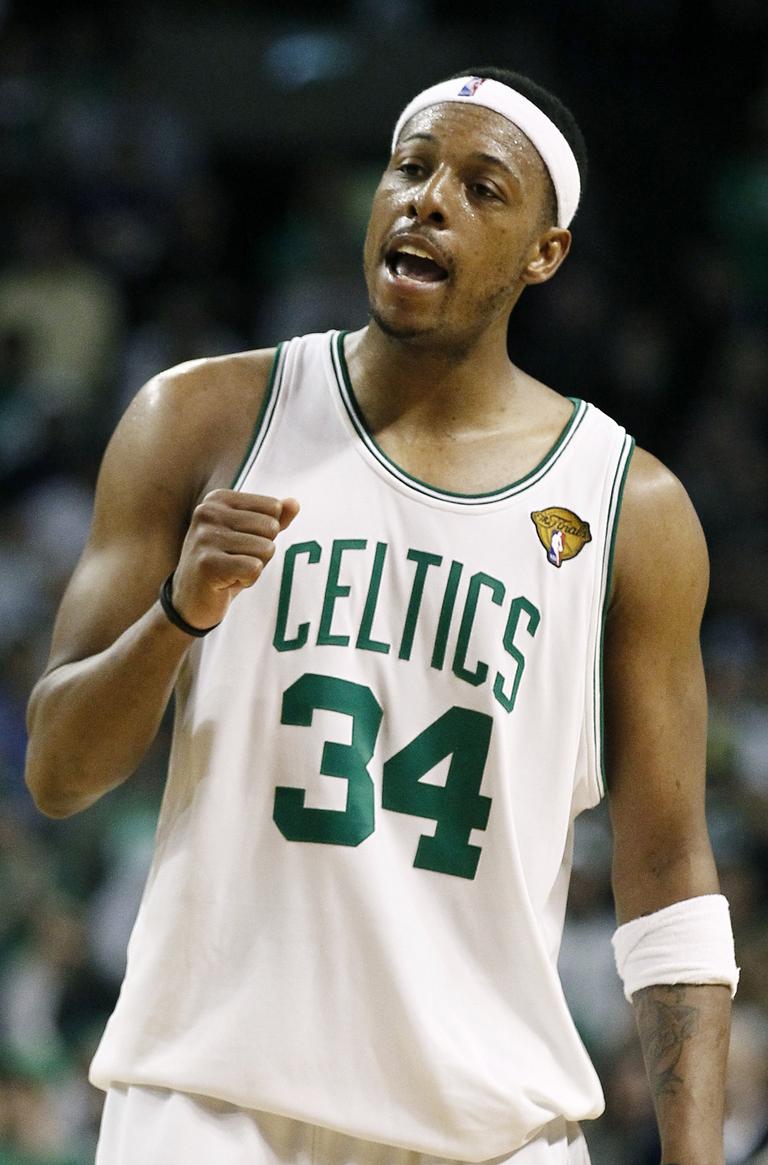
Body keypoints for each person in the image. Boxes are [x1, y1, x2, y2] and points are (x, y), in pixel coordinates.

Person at [24, 67, 738, 1165]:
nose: (428, 200)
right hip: (208, 1110)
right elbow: (59, 773)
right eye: (410, 168)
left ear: (545, 252)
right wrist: (178, 615)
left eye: (482, 188)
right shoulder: (203, 417)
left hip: (488, 1129)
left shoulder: (626, 508)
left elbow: (667, 868)